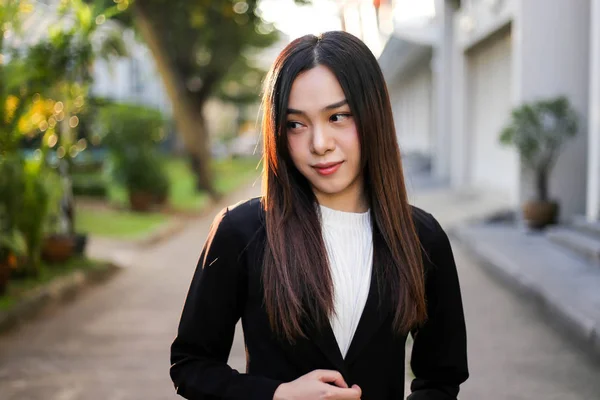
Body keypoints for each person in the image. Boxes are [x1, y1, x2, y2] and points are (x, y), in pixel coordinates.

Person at [170, 31, 469, 400]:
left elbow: (441, 377)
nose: (319, 143)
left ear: (373, 115)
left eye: (338, 116)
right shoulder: (241, 232)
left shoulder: (422, 238)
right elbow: (191, 364)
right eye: (297, 124)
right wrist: (277, 395)